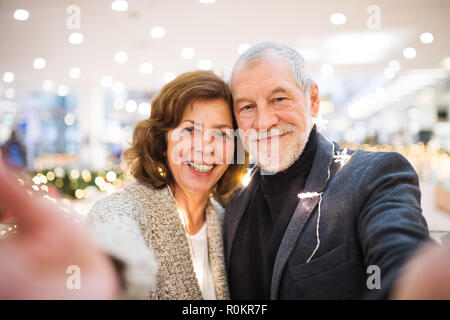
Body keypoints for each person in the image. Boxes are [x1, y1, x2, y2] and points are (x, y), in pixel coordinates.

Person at [0, 70, 246, 299]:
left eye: (221, 134)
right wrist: (109, 271)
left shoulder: (223, 218)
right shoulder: (128, 207)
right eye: (189, 130)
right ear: (163, 141)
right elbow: (114, 229)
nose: (205, 147)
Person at [225, 42, 430, 299]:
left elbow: (402, 258)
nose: (264, 122)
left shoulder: (372, 177)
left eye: (278, 99)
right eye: (247, 107)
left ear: (312, 100)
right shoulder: (233, 196)